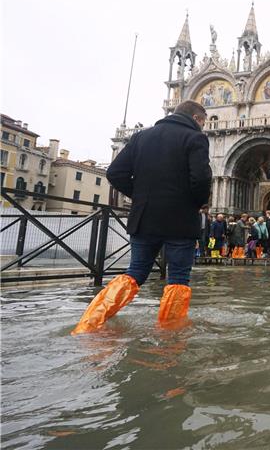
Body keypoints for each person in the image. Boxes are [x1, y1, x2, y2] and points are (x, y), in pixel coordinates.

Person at [72, 100, 211, 334]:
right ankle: (169, 338)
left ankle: (90, 323)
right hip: (180, 220)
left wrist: (141, 197)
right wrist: (195, 204)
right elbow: (201, 179)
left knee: (135, 272)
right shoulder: (195, 138)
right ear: (197, 119)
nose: (203, 127)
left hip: (144, 217)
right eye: (204, 123)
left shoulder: (140, 138)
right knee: (178, 278)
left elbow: (114, 173)